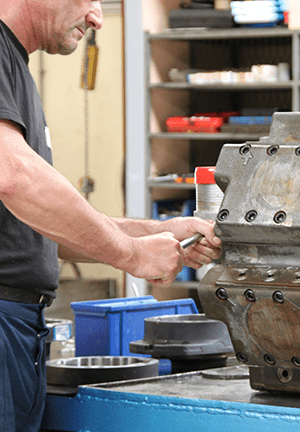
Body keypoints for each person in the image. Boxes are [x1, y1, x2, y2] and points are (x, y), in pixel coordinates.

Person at [0, 1, 222, 430]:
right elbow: (14, 177)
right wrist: (132, 255)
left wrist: (155, 232)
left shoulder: (14, 67)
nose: (98, 18)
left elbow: (40, 226)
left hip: (21, 329)